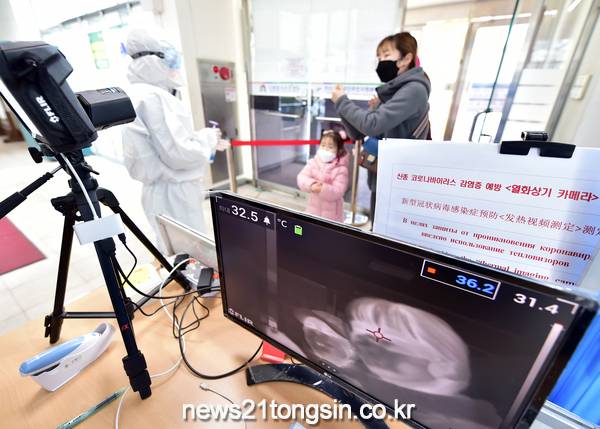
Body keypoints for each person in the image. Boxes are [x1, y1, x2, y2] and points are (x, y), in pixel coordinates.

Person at [121, 29, 227, 251]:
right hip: (174, 193)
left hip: (160, 190)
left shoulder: (138, 94)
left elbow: (169, 142)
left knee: (169, 246)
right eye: (167, 57)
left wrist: (201, 138)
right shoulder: (153, 98)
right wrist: (208, 137)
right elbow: (179, 154)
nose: (173, 64)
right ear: (152, 60)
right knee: (190, 251)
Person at [332, 32, 431, 222]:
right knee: (377, 223)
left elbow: (372, 124)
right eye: (379, 57)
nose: (381, 62)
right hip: (382, 172)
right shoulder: (393, 92)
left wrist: (342, 102)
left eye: (386, 55)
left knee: (386, 228)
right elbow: (358, 132)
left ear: (406, 58)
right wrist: (342, 106)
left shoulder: (414, 90)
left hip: (397, 178)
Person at [297, 130, 349, 222]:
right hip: (313, 210)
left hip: (332, 215)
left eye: (330, 146)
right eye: (323, 145)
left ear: (339, 150)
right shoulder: (313, 162)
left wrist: (322, 189)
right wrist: (311, 185)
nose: (326, 149)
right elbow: (301, 177)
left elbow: (339, 191)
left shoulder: (341, 169)